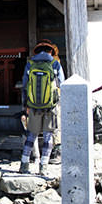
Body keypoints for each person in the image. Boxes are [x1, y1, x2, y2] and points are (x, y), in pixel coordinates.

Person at [19, 40, 64, 175]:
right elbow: (62, 83)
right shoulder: (55, 64)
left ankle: (24, 164)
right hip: (51, 106)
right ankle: (43, 166)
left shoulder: (30, 64)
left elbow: (25, 86)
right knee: (48, 135)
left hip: (33, 105)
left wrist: (25, 105)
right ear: (51, 51)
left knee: (31, 134)